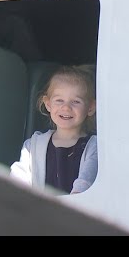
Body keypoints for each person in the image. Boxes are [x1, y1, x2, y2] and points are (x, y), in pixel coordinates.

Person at [10, 64, 97, 195]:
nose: (66, 107)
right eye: (59, 100)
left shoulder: (94, 147)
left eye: (76, 102)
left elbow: (85, 183)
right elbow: (19, 176)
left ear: (90, 107)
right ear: (48, 104)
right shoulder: (33, 145)